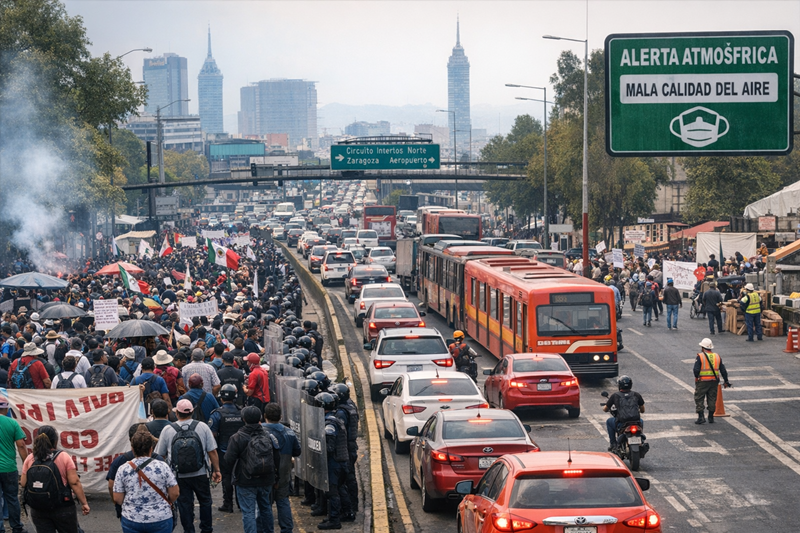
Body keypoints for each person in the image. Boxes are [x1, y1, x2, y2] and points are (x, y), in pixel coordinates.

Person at [154, 399, 222, 533]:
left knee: (184, 504)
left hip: (178, 475)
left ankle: (189, 530)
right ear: (192, 412)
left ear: (177, 413)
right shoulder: (202, 426)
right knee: (205, 501)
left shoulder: (168, 430)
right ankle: (206, 529)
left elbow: (159, 455)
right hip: (201, 472)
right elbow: (212, 451)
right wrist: (217, 470)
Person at [21, 425, 90, 533]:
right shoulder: (63, 456)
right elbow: (74, 482)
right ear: (55, 440)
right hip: (62, 506)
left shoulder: (30, 458)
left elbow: (23, 483)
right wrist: (84, 503)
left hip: (38, 507)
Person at [224, 406, 280, 533]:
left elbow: (228, 460)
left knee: (248, 512)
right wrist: (277, 477)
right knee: (266, 508)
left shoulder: (237, 437)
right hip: (266, 479)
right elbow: (277, 458)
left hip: (245, 480)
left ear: (243, 419)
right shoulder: (268, 436)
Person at [113, 426, 179, 533]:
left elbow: (118, 498)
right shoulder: (163, 466)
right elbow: (175, 493)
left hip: (132, 518)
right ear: (151, 449)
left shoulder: (123, 469)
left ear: (132, 449)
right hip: (160, 518)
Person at [107, 423, 166, 522]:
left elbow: (111, 485)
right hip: (158, 516)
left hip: (130, 515)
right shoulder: (160, 461)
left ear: (131, 442)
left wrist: (118, 503)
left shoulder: (120, 461)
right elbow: (173, 491)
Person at [263, 403, 302, 533]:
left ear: (265, 416)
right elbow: (297, 451)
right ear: (280, 417)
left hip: (264, 473)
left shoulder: (260, 432)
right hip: (283, 472)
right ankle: (286, 529)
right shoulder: (289, 433)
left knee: (264, 504)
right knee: (283, 501)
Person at [316, 392, 351, 530]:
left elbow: (329, 445)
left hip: (335, 462)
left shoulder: (330, 423)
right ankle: (346, 513)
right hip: (341, 461)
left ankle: (335, 520)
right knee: (340, 489)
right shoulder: (334, 419)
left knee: (332, 491)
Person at [208, 384, 244, 513]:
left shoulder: (217, 415)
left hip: (224, 451)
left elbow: (211, 435)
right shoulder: (242, 412)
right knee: (240, 477)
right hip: (241, 451)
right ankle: (241, 504)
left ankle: (228, 504)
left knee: (227, 477)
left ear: (221, 398)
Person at [0, 398, 26, 533]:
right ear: (6, 409)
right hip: (9, 468)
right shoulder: (12, 423)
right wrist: (27, 465)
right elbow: (21, 445)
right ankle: (16, 527)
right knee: (12, 499)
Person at [693, 338, 731, 424]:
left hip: (702, 381)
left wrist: (697, 377)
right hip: (714, 381)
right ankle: (711, 417)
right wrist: (726, 381)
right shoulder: (717, 356)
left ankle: (701, 417)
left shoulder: (700, 356)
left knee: (699, 398)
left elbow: (696, 370)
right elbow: (723, 370)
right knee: (712, 398)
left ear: (703, 348)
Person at [603, 376, 645, 451]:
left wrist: (606, 407)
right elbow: (642, 409)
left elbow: (605, 409)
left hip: (622, 423)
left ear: (620, 385)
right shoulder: (636, 395)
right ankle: (640, 439)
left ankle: (613, 444)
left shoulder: (615, 396)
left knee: (609, 421)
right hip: (636, 422)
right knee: (641, 421)